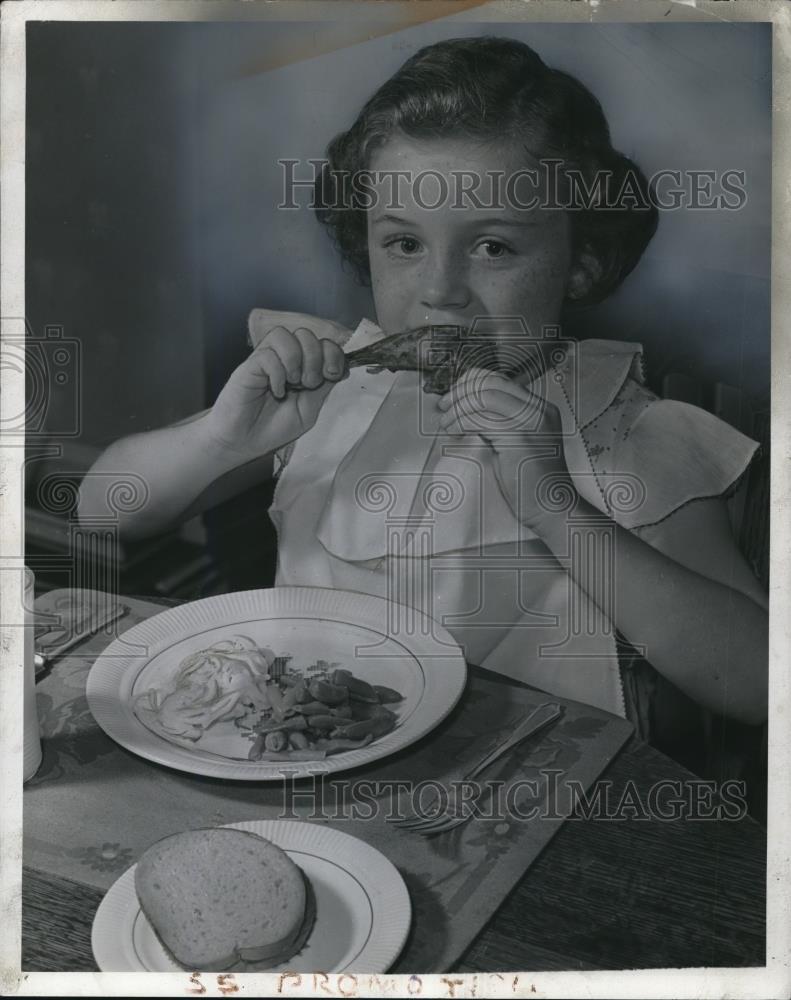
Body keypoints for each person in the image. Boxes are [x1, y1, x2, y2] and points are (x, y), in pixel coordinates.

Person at [79, 36, 768, 733]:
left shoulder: (619, 427)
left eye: (493, 247)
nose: (440, 293)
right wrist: (220, 440)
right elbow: (103, 510)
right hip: (301, 763)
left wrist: (557, 509)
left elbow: (756, 682)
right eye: (404, 244)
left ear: (580, 261)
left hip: (531, 802)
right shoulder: (332, 392)